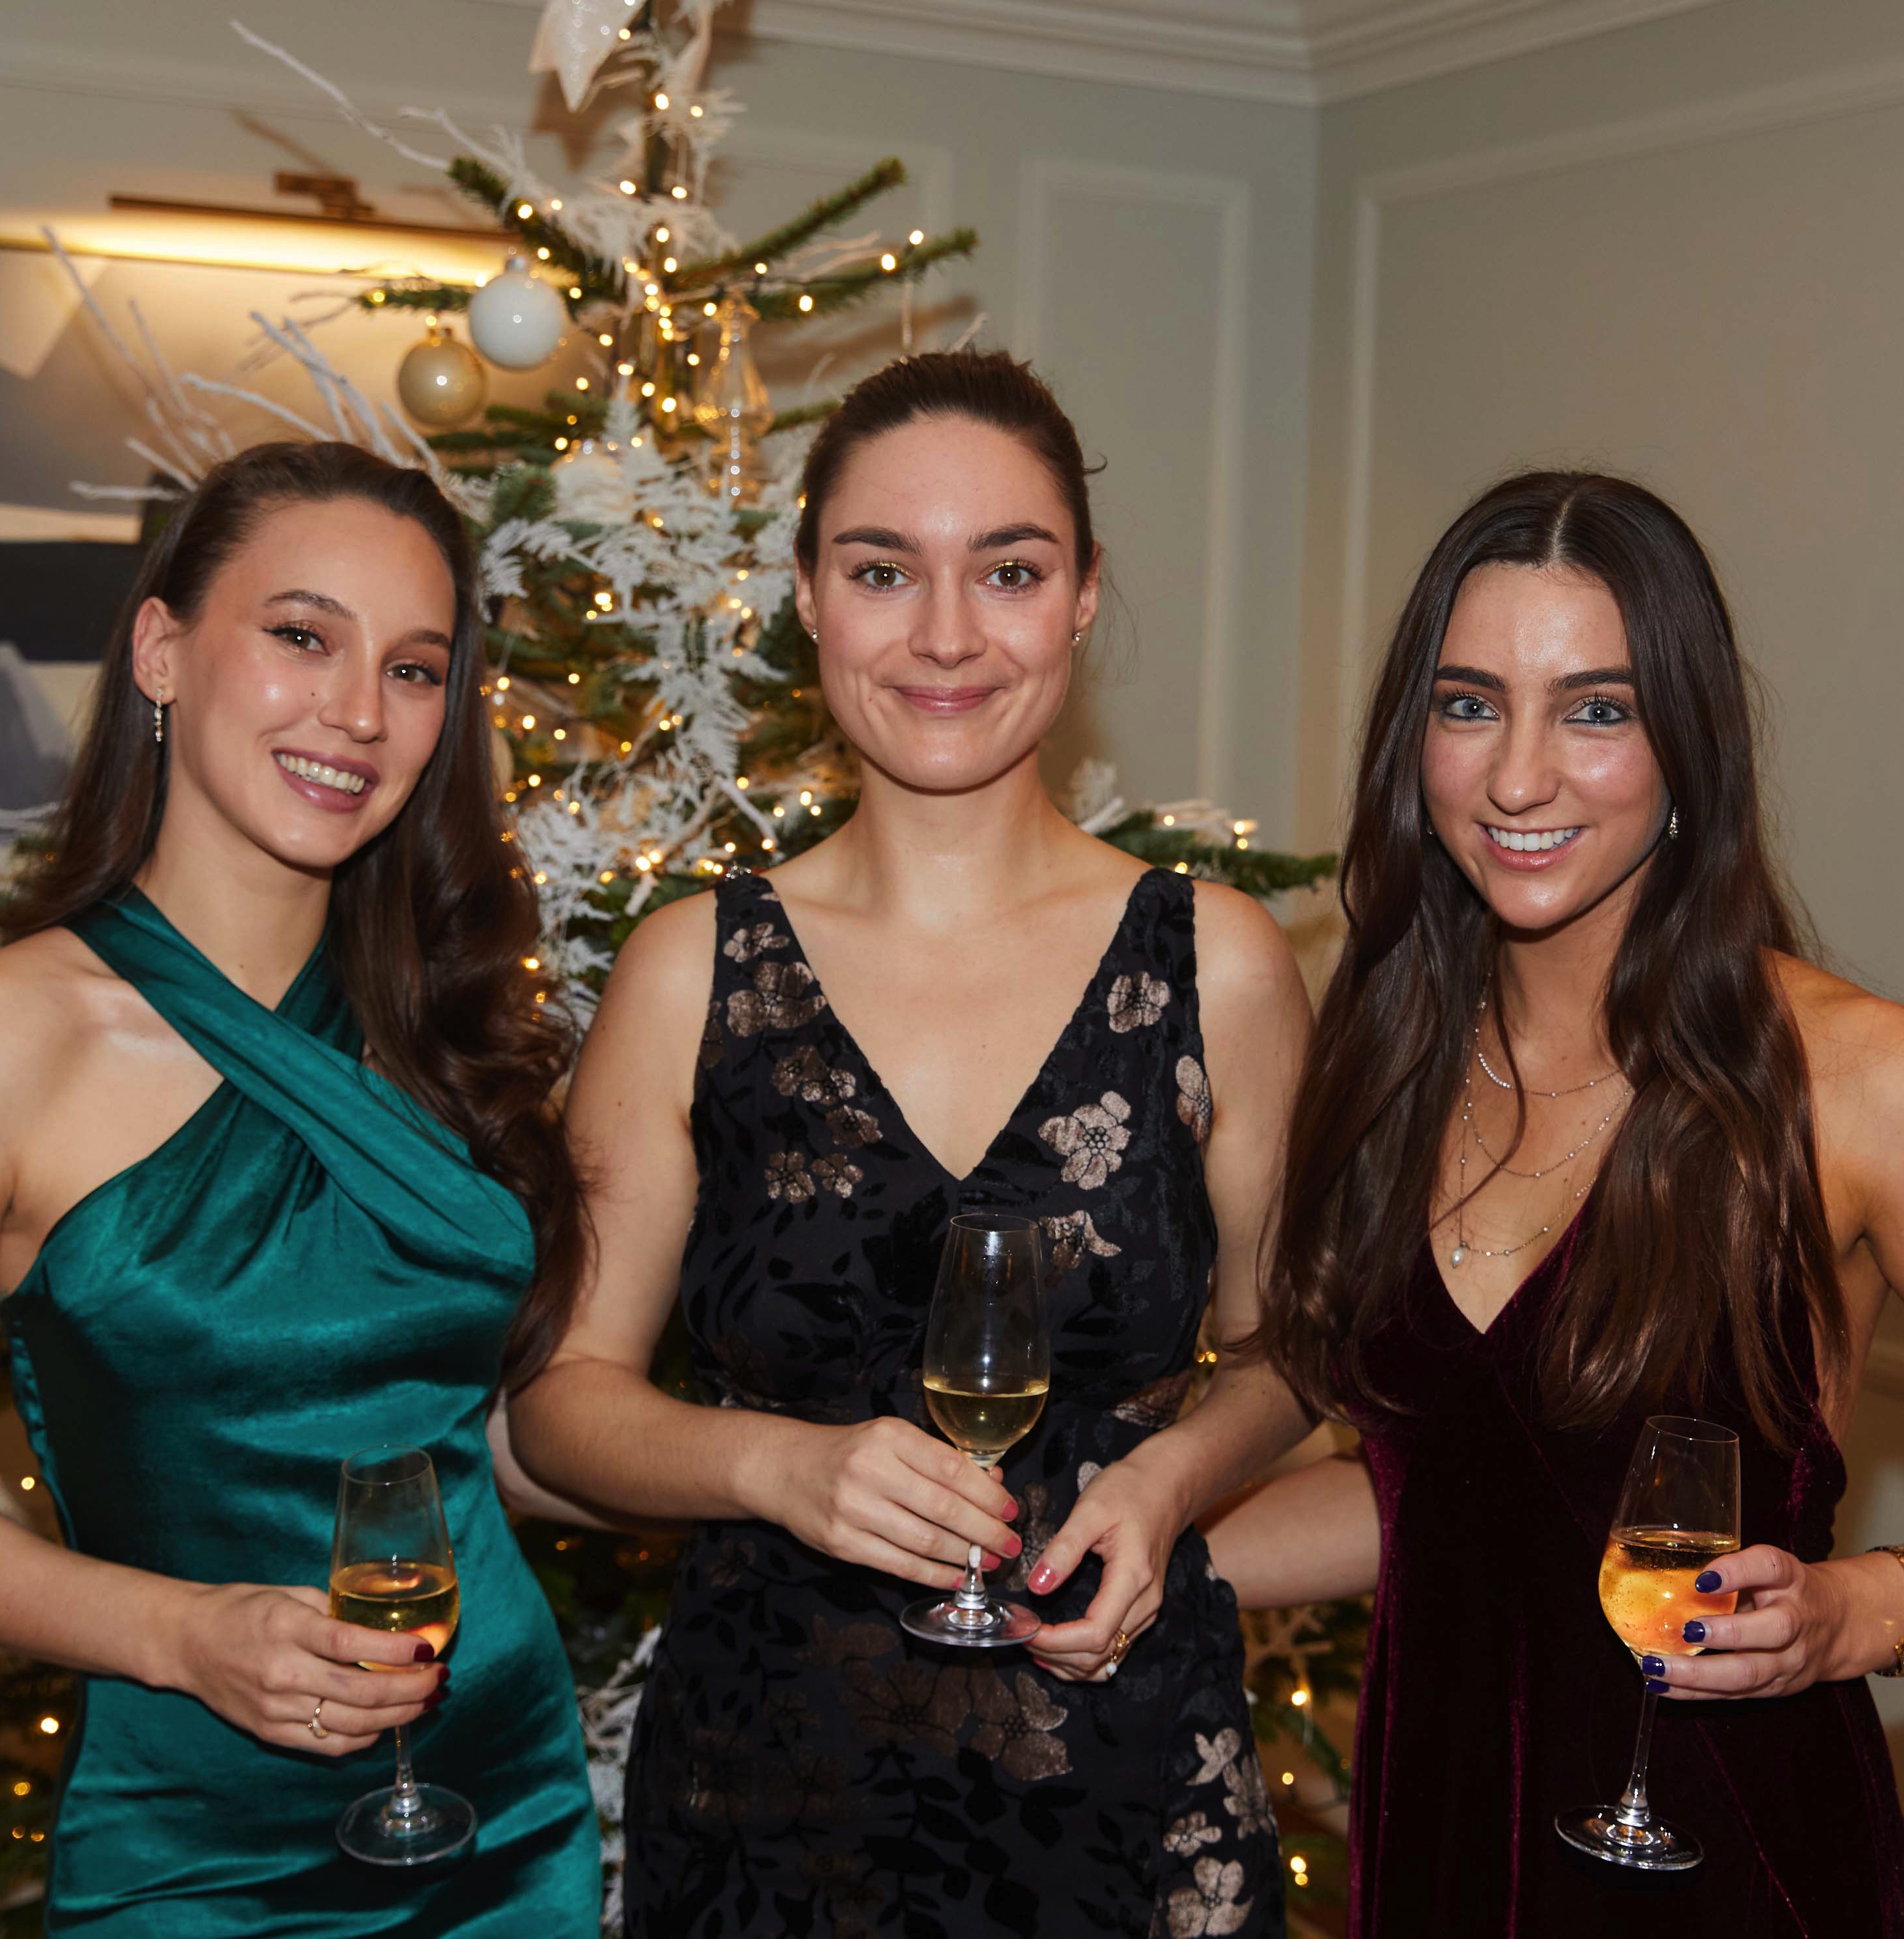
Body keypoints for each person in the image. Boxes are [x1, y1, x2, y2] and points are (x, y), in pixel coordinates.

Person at [1216, 471, 1904, 1936]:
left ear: (1690, 743)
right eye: (1471, 704)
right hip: (1438, 1838)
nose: (1518, 777)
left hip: (1719, 1859)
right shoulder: (1394, 1049)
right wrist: (1141, 1555)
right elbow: (1447, 1489)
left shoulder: (1865, 1083)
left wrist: (1857, 1612)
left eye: (1595, 711)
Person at [503, 350, 1316, 1937]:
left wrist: (1168, 1481)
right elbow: (561, 1400)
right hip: (766, 1800)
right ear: (809, 596)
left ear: (1084, 597)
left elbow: (1297, 1348)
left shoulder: (1215, 962)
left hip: (1128, 1782)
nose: (948, 634)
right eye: (885, 571)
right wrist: (777, 1462)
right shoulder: (691, 973)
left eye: (1009, 570)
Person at [0, 442, 600, 1935]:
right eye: (302, 635)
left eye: (414, 670)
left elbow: (488, 1435)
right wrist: (182, 1631)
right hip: (199, 1843)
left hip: (506, 1807)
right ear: (161, 651)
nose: (359, 713)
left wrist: (767, 1474)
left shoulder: (447, 1033)